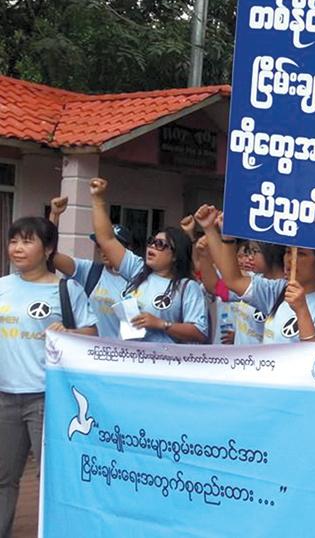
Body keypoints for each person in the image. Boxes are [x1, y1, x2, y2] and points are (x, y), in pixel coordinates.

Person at [0, 217, 97, 537]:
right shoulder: (2, 286)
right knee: (4, 478)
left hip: (47, 397)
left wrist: (68, 332)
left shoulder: (66, 289)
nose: (17, 248)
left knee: (51, 478)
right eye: (14, 241)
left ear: (49, 248)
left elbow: (91, 333)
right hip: (5, 396)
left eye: (27, 241)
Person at [196, 205, 315, 345]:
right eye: (288, 252)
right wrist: (217, 232)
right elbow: (233, 280)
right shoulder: (278, 290)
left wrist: (301, 310)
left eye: (300, 254)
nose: (290, 259)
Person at [89, 178, 208, 343]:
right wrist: (98, 199)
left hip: (162, 364)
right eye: (151, 241)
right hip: (128, 359)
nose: (151, 247)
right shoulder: (137, 270)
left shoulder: (187, 287)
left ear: (175, 255)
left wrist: (161, 324)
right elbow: (106, 239)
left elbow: (199, 332)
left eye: (160, 245)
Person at [49, 196, 131, 338]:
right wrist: (54, 216)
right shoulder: (89, 271)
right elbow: (51, 255)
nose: (104, 250)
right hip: (88, 355)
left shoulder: (137, 280)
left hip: (121, 355)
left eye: (111, 246)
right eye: (100, 245)